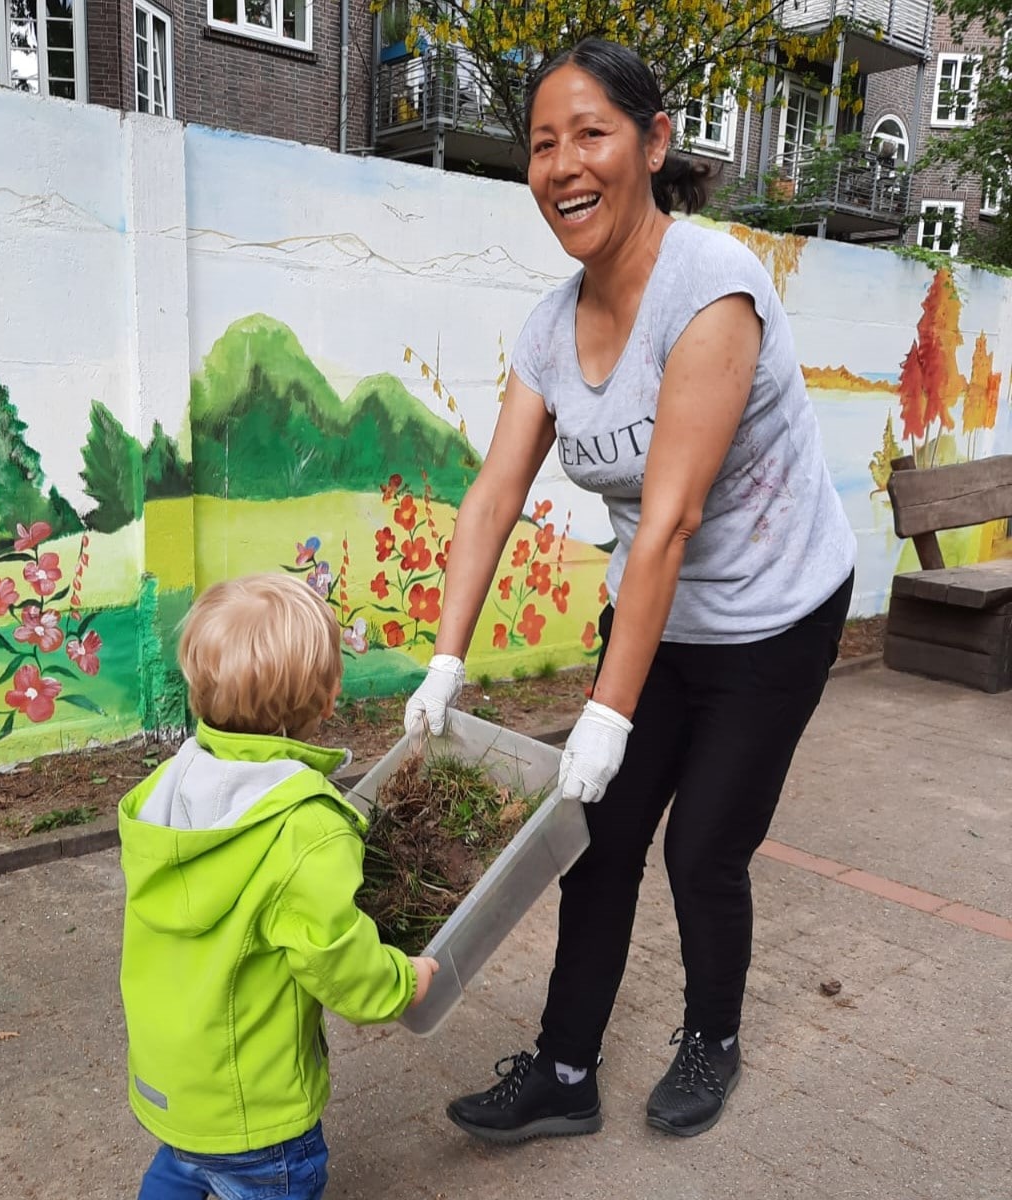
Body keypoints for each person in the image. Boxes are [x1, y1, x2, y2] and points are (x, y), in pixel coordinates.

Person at [404, 38, 856, 1143]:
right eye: (543, 143)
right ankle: (564, 1072)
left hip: (776, 613)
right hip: (659, 611)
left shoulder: (712, 290)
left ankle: (714, 1038)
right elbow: (491, 497)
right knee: (591, 839)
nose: (564, 164)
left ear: (653, 144)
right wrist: (446, 663)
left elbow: (670, 519)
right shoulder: (551, 328)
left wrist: (605, 714)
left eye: (591, 133)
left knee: (701, 844)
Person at [119, 573, 438, 1199]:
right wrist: (404, 982)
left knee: (180, 1170)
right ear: (326, 698)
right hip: (255, 1115)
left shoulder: (168, 791)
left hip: (175, 1087)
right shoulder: (305, 826)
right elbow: (333, 954)